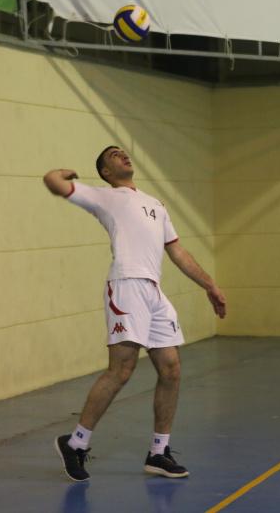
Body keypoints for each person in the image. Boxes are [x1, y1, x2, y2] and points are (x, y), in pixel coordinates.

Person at [43, 145, 227, 482]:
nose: (123, 155)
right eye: (114, 155)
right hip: (126, 286)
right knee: (122, 370)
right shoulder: (104, 197)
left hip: (154, 292)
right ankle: (75, 443)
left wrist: (210, 285)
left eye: (124, 152)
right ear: (106, 172)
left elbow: (177, 251)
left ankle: (158, 452)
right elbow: (54, 183)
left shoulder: (156, 204)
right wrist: (61, 174)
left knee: (171, 369)